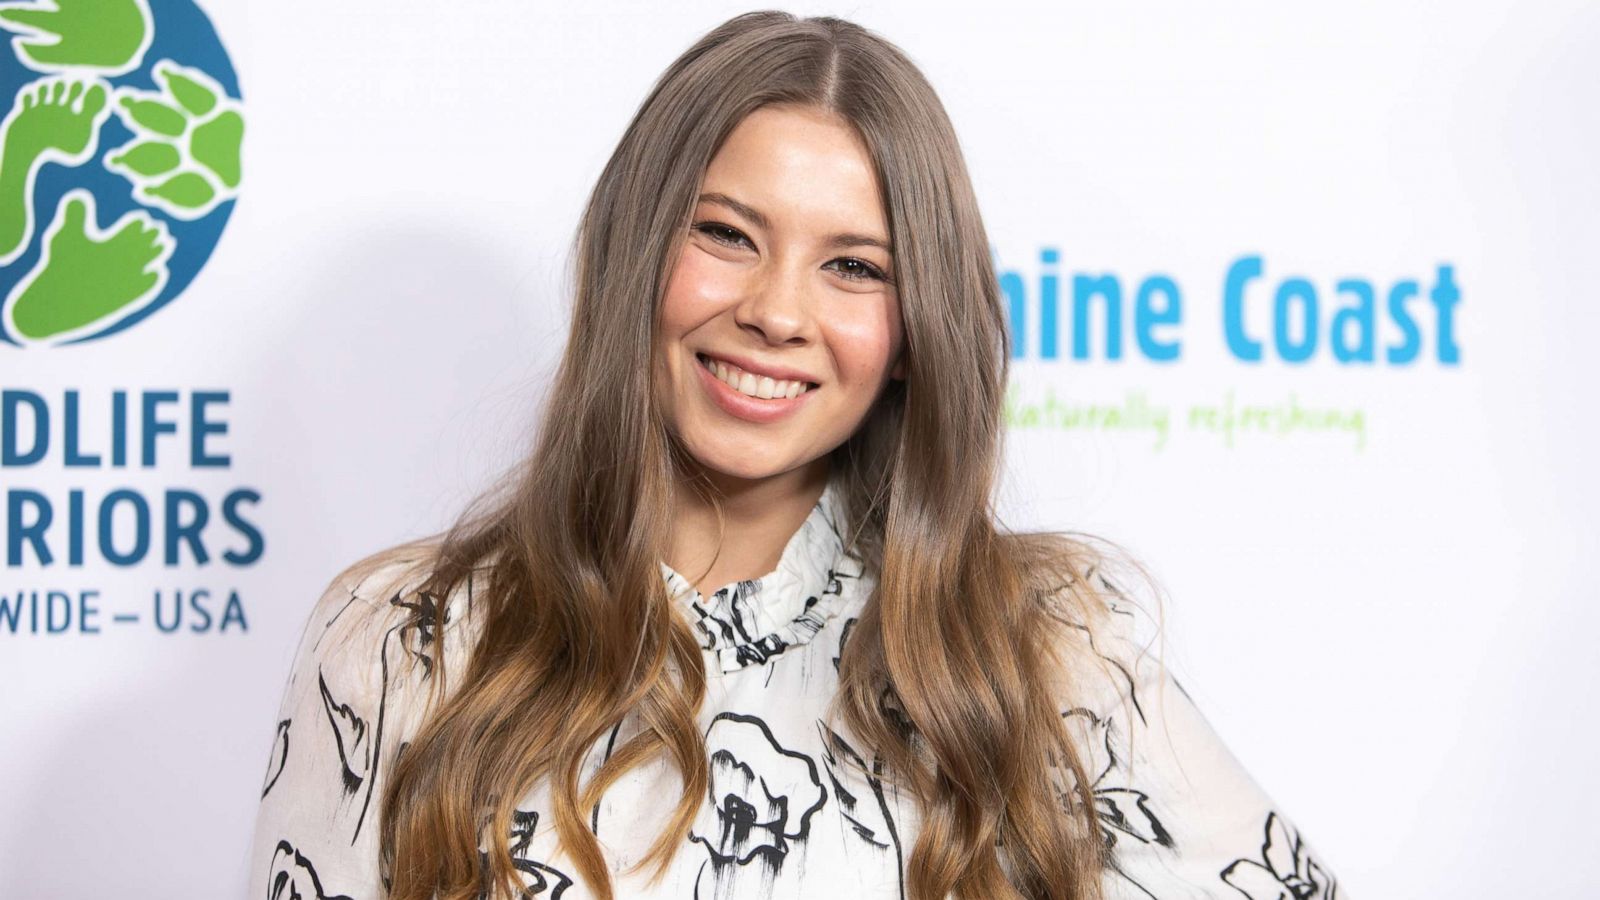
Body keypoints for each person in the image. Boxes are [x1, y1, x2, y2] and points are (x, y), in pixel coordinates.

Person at [248, 11, 1342, 900]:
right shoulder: (404, 641)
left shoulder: (1046, 648)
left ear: (915, 332)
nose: (776, 312)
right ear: (636, 253)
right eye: (726, 234)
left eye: (855, 267)